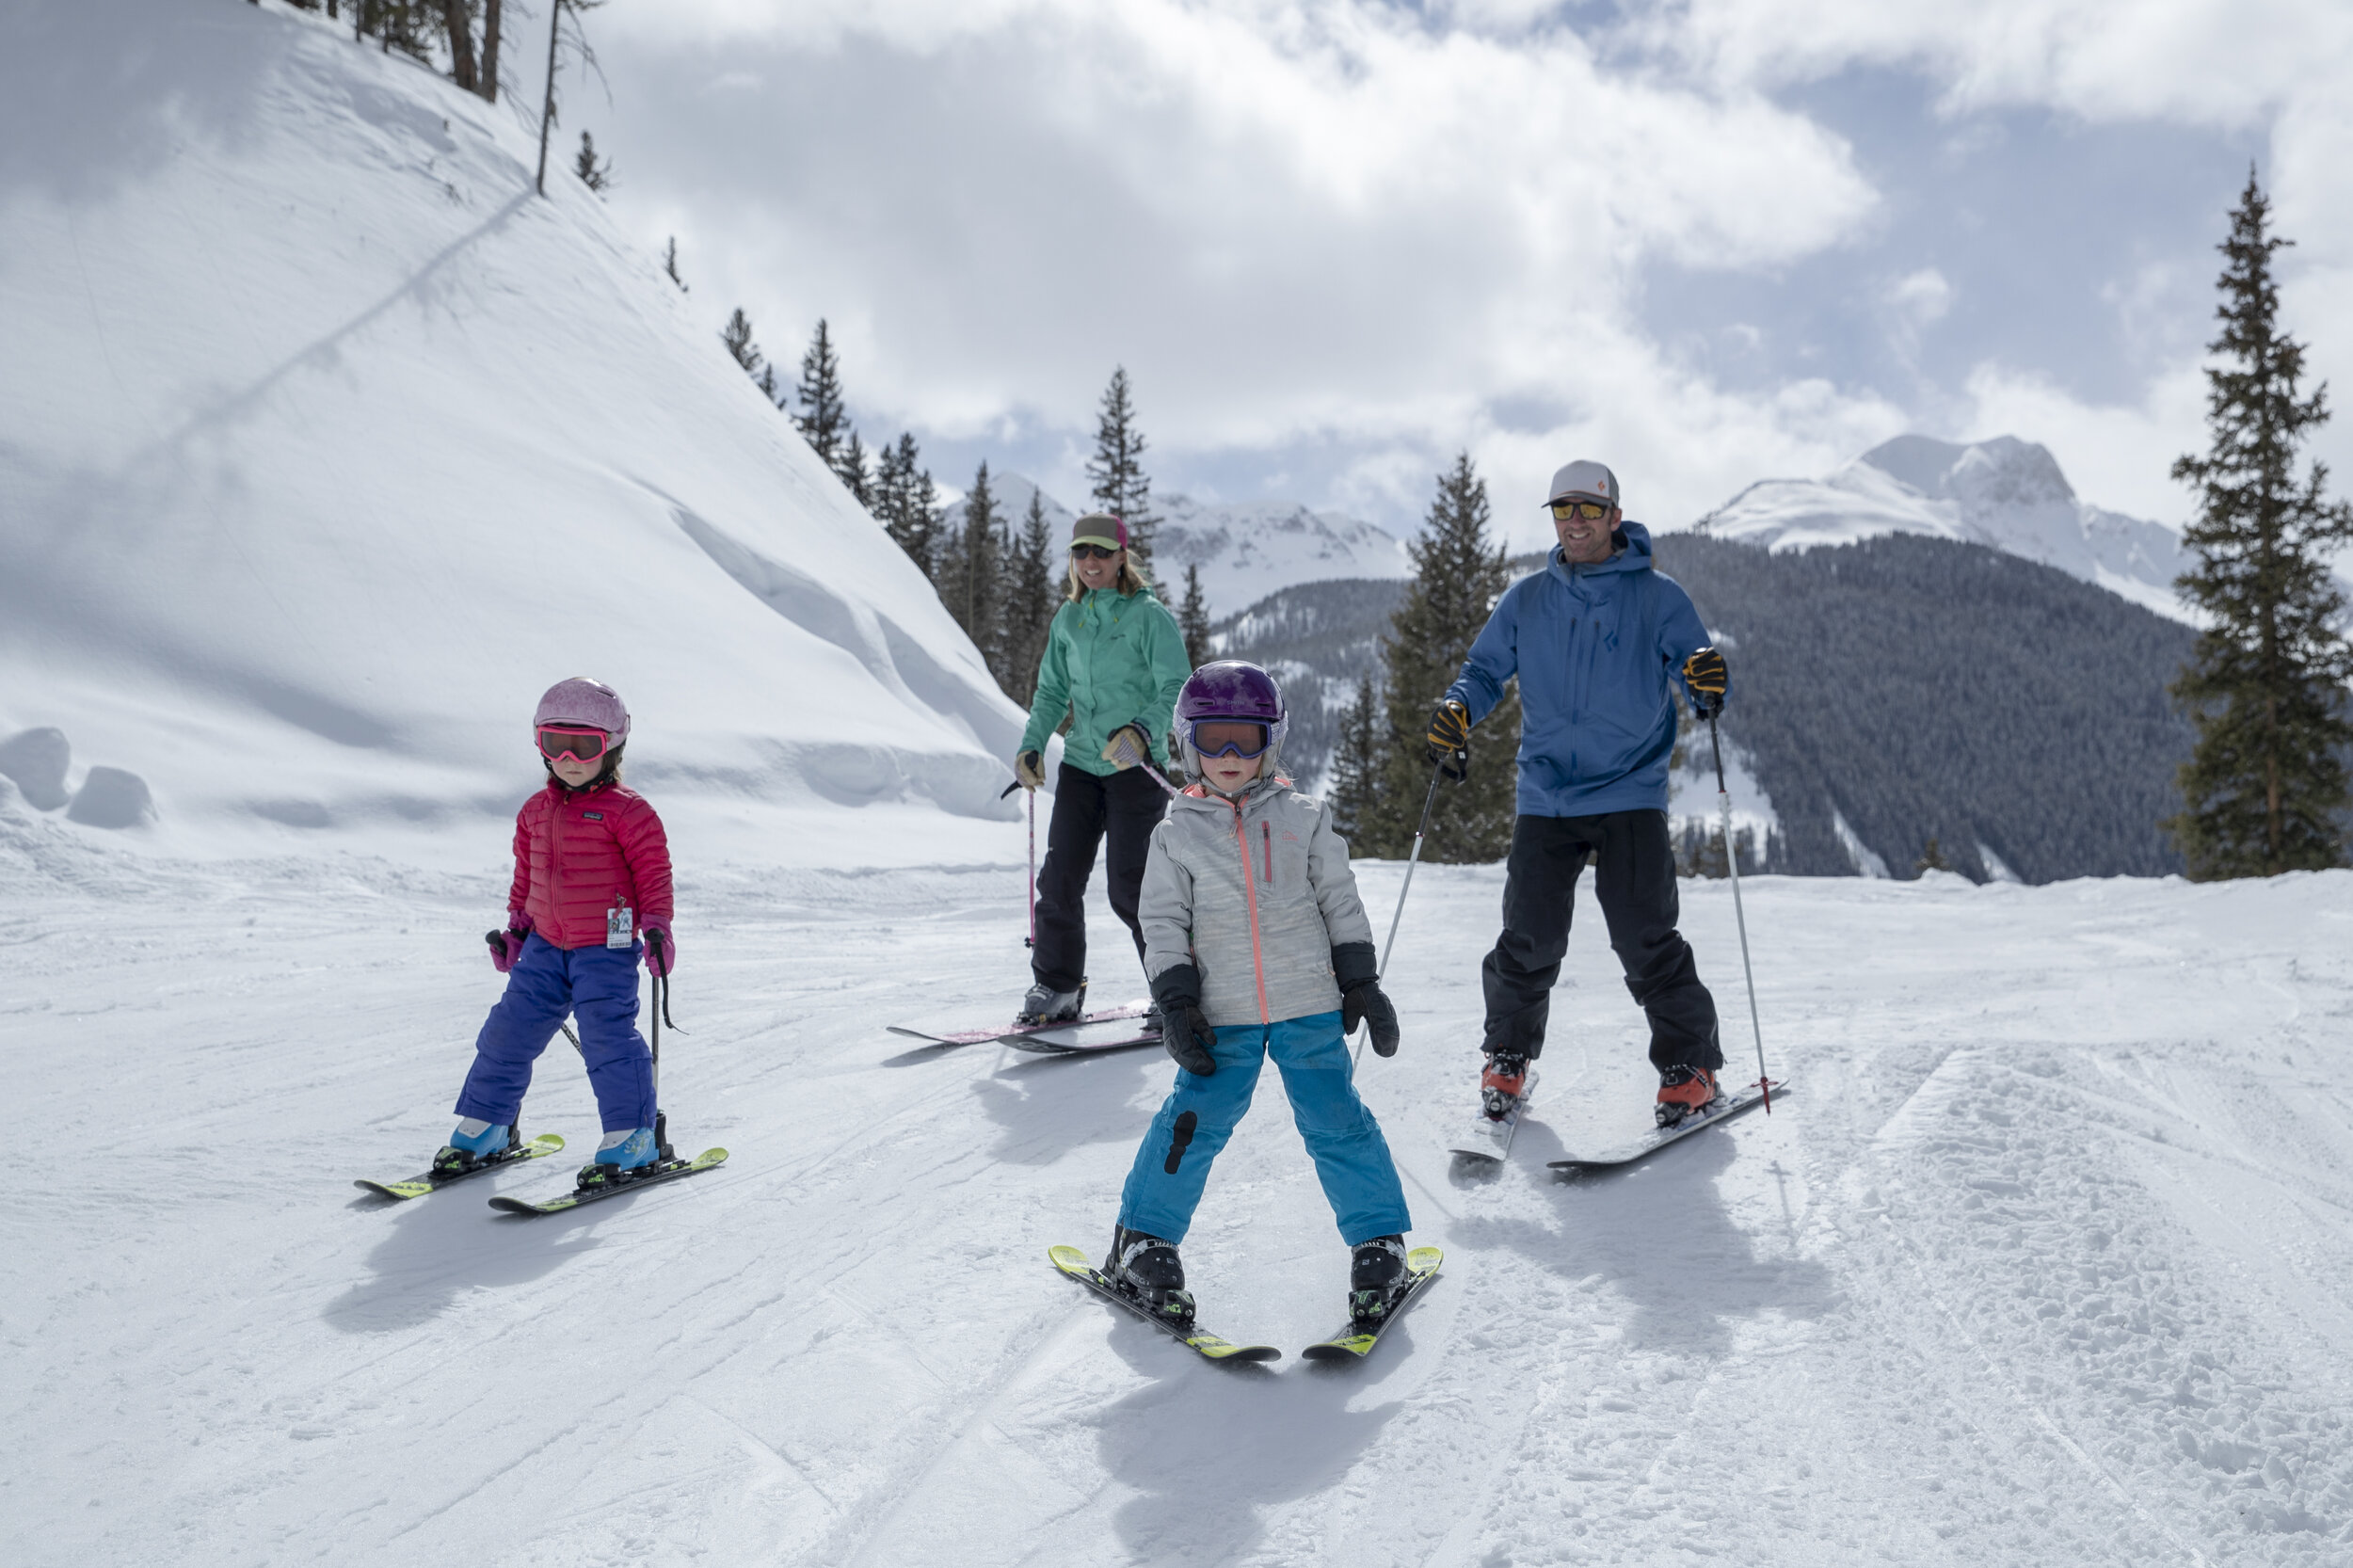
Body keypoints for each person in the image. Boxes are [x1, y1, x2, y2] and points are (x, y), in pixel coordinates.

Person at [1102, 661, 1415, 1329]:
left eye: (1246, 738)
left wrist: (1360, 978)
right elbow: (1162, 924)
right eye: (1213, 740)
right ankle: (1143, 1239)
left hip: (1309, 1002)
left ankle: (1378, 1241)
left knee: (1336, 1120)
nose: (1230, 756)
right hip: (1223, 1015)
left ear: (1271, 741)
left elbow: (1339, 899)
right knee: (1192, 1124)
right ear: (1189, 743)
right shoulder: (1174, 832)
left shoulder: (1306, 817)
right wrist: (1177, 1001)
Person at [1425, 460, 1734, 1128]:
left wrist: (1708, 681)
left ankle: (1692, 1067)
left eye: (1589, 511)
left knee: (1645, 936)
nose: (1575, 522)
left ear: (1614, 518)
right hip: (1547, 796)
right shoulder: (1528, 598)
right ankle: (1507, 1055)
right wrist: (1456, 709)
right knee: (1528, 936)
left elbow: (1697, 671)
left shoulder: (1658, 596)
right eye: (1563, 510)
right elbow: (1483, 670)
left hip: (1631, 790)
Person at [440, 677, 680, 1189]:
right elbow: (526, 880)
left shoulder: (631, 813)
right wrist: (517, 934)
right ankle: (488, 1127)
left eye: (584, 745)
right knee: (506, 1032)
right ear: (540, 745)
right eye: (555, 743)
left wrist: (658, 931)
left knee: (608, 1038)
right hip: (546, 948)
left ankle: (632, 1137)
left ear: (611, 747)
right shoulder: (535, 811)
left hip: (607, 950)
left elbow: (654, 877)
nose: (569, 757)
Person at [1011, 512, 1193, 1024]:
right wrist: (1031, 746)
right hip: (1081, 765)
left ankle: (1174, 990)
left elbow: (1177, 686)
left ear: (1120, 558)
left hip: (1135, 767)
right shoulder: (1069, 619)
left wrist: (1141, 729)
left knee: (1131, 885)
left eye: (1100, 553)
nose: (1090, 562)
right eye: (1080, 553)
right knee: (1060, 879)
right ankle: (1058, 987)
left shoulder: (1148, 616)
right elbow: (1051, 691)